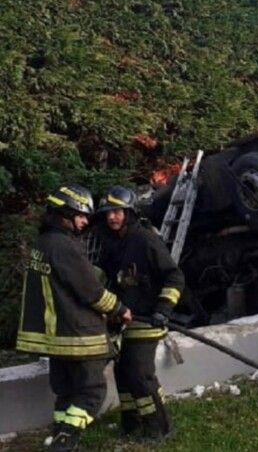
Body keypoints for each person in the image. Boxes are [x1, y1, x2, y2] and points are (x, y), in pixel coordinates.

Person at [16, 185, 132, 452]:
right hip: (78, 335)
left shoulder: (42, 243)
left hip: (55, 338)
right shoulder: (64, 245)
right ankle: (66, 441)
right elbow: (90, 289)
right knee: (92, 391)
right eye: (79, 216)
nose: (83, 222)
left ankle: (59, 431)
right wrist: (119, 309)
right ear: (64, 214)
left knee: (66, 391)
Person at [93, 186, 184, 440]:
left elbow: (174, 277)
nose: (112, 217)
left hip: (148, 318)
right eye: (109, 212)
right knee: (123, 374)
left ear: (130, 212)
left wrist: (163, 309)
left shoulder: (145, 239)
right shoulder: (112, 242)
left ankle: (160, 428)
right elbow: (109, 279)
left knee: (139, 373)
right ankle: (132, 425)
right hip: (124, 319)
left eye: (118, 211)